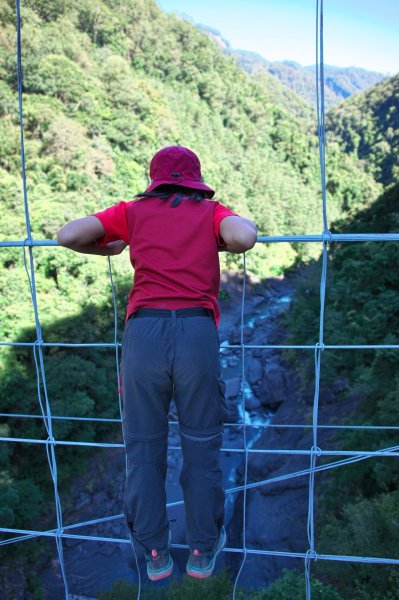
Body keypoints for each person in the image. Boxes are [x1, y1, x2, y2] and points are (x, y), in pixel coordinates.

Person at [57, 146, 257, 581]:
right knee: (201, 443)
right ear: (195, 181)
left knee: (143, 446)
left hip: (143, 336)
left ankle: (154, 553)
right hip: (195, 335)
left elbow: (68, 235)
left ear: (155, 179)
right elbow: (244, 237)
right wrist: (217, 233)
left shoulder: (133, 211)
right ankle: (203, 550)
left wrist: (111, 249)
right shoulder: (209, 212)